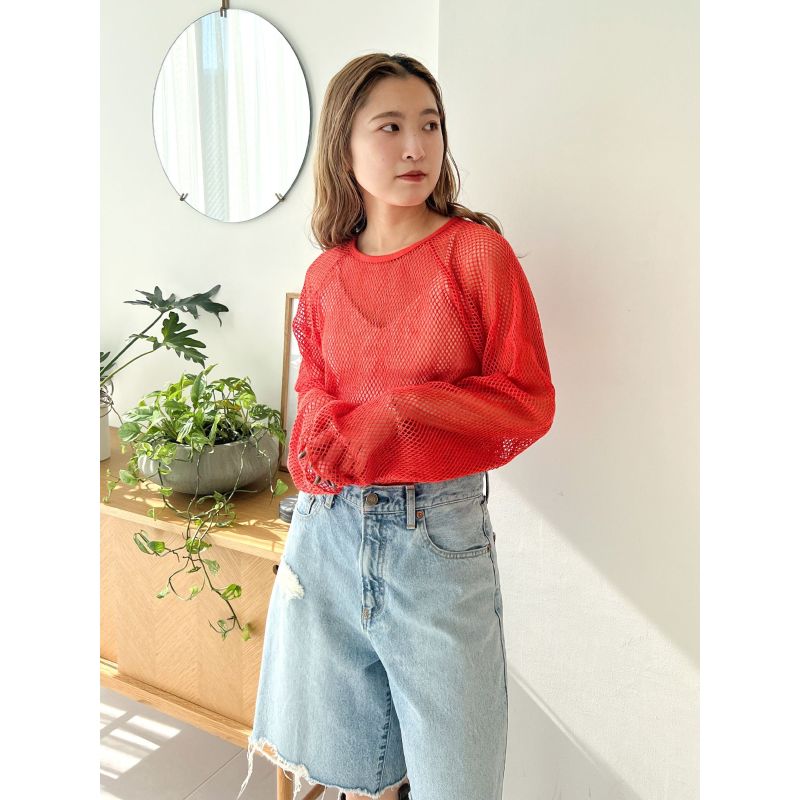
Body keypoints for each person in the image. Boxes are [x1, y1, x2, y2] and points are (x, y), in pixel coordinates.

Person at [237, 53, 556, 800]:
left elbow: (526, 400)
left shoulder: (475, 254)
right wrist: (318, 436)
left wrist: (400, 413)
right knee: (355, 774)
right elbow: (313, 388)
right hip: (325, 534)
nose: (416, 147)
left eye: (430, 125)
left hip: (435, 541)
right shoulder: (325, 275)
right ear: (344, 147)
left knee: (457, 782)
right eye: (390, 127)